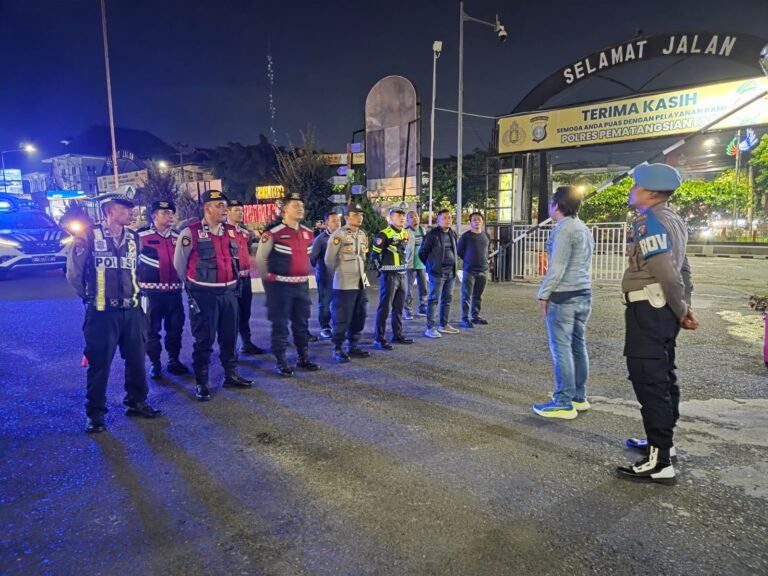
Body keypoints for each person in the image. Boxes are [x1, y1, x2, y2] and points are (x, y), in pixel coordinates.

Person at [616, 163, 698, 486]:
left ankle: (660, 461)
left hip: (650, 310)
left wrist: (680, 308)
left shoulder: (649, 221)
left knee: (650, 381)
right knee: (663, 378)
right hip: (663, 311)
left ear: (650, 193)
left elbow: (666, 272)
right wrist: (683, 306)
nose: (631, 191)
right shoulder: (674, 220)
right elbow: (685, 270)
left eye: (635, 186)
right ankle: (662, 443)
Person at [67, 195, 161, 433]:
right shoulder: (88, 236)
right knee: (100, 365)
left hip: (131, 311)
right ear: (109, 211)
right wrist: (88, 297)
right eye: (125, 209)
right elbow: (74, 275)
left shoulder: (134, 238)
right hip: (102, 312)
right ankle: (95, 414)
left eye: (131, 209)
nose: (131, 213)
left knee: (137, 361)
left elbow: (138, 271)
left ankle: (137, 402)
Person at [174, 190, 253, 401]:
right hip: (204, 295)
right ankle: (201, 382)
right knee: (204, 340)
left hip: (229, 293)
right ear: (207, 208)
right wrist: (192, 287)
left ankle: (231, 375)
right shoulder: (190, 233)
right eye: (219, 205)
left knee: (229, 337)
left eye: (224, 205)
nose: (224, 209)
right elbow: (179, 265)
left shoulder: (231, 231)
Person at [531, 187, 594, 420]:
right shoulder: (583, 227)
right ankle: (579, 396)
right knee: (578, 345)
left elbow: (557, 268)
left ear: (557, 206)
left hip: (564, 295)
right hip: (583, 292)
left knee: (562, 349)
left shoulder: (564, 229)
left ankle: (563, 401)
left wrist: (543, 294)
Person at [255, 191, 320, 376]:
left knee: (301, 324)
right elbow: (260, 260)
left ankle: (303, 358)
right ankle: (281, 360)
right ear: (284, 210)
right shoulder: (273, 233)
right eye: (295, 205)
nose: (300, 208)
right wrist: (269, 283)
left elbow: (308, 258)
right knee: (280, 325)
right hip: (280, 287)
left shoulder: (308, 233)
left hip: (301, 285)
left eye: (301, 205)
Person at [137, 200, 190, 380]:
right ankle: (155, 364)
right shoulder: (140, 237)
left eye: (171, 213)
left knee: (175, 329)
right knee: (151, 331)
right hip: (150, 294)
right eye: (165, 213)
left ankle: (173, 361)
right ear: (154, 216)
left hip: (174, 293)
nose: (170, 216)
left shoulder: (178, 237)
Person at [325, 202, 371, 362]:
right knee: (342, 318)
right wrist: (336, 277)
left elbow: (363, 257)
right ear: (346, 217)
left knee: (360, 315)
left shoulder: (362, 234)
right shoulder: (339, 235)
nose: (360, 217)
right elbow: (329, 260)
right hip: (344, 284)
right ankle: (338, 348)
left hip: (359, 282)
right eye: (356, 214)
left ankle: (353, 345)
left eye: (361, 214)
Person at [371, 204, 414, 350]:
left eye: (403, 215)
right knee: (384, 307)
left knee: (399, 307)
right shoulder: (383, 234)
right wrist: (382, 270)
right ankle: (379, 338)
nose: (402, 218)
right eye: (398, 215)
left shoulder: (405, 233)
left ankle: (397, 334)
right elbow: (375, 255)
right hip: (389, 275)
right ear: (390, 218)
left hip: (402, 274)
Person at [227, 199, 264, 356]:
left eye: (241, 210)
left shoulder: (243, 233)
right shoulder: (222, 232)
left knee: (245, 312)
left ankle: (246, 342)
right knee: (231, 315)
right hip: (231, 280)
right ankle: (230, 349)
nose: (240, 213)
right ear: (227, 211)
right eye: (236, 210)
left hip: (245, 277)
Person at [419, 209, 460, 338]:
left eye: (450, 217)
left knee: (447, 299)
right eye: (445, 218)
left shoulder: (452, 233)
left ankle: (444, 324)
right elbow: (422, 252)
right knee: (433, 299)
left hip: (451, 273)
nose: (448, 220)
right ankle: (430, 327)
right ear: (438, 220)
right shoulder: (432, 234)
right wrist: (431, 265)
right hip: (437, 273)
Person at [310, 210, 341, 339]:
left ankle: (338, 324)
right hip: (325, 276)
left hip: (340, 276)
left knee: (339, 302)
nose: (337, 223)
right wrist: (321, 269)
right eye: (334, 221)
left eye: (338, 220)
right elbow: (312, 258)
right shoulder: (320, 239)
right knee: (325, 301)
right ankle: (325, 326)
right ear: (327, 223)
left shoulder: (343, 237)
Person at [457, 211, 491, 328]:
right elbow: (459, 251)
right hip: (469, 270)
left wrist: (487, 260)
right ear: (470, 222)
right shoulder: (466, 236)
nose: (477, 221)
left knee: (478, 295)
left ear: (482, 221)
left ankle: (475, 316)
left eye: (479, 219)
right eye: (474, 219)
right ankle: (465, 318)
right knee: (466, 295)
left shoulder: (486, 235)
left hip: (483, 270)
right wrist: (467, 260)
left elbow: (487, 250)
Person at [404, 210, 428, 320]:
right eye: (412, 217)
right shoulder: (405, 232)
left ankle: (422, 307)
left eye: (416, 217)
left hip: (422, 264)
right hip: (409, 265)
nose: (415, 219)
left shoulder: (423, 230)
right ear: (407, 221)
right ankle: (407, 309)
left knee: (423, 287)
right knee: (408, 289)